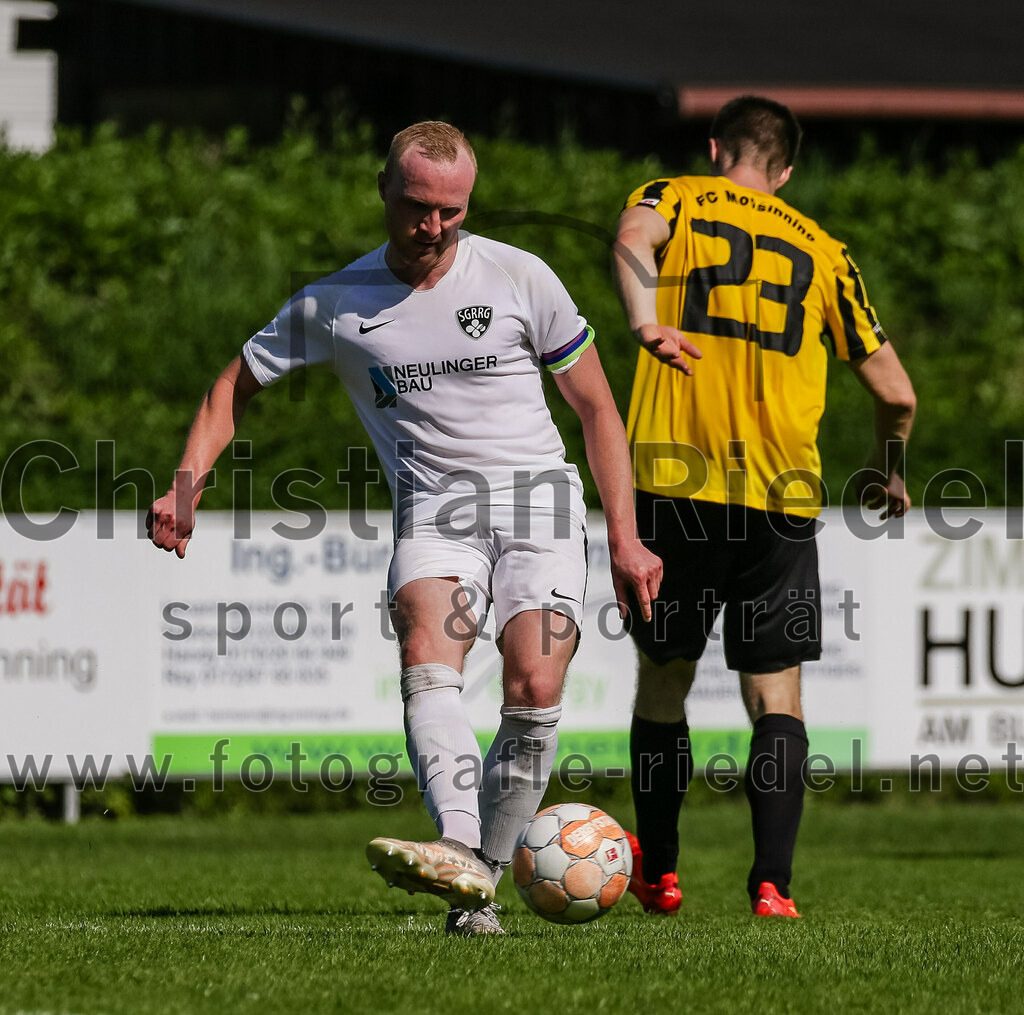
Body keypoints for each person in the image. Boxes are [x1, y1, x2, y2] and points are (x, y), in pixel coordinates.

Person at [148, 121, 662, 936]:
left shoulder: (522, 276)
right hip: (435, 515)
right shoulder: (333, 303)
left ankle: (481, 878)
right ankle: (459, 843)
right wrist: (185, 486)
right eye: (419, 207)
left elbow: (598, 406)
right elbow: (231, 386)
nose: (434, 227)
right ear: (383, 189)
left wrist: (627, 537)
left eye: (451, 211)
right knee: (429, 653)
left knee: (534, 687)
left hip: (541, 504)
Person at [612, 96, 916, 918]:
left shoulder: (673, 193)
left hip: (675, 479)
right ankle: (773, 883)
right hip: (782, 495)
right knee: (775, 696)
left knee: (665, 678)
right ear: (786, 171)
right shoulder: (825, 252)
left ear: (717, 150)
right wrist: (885, 471)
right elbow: (896, 393)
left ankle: (662, 871)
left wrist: (645, 322)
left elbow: (632, 239)